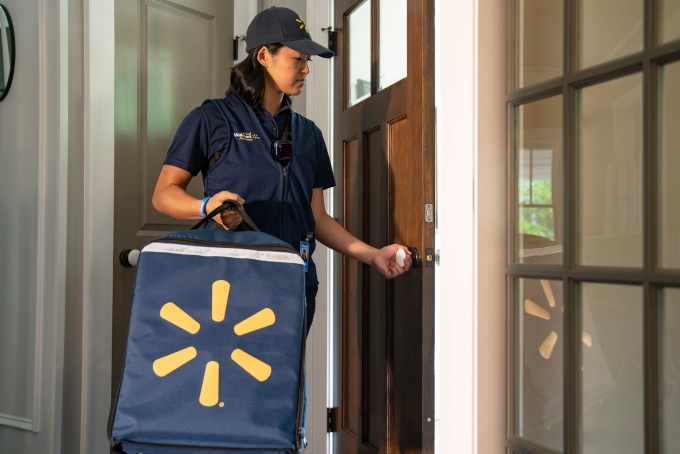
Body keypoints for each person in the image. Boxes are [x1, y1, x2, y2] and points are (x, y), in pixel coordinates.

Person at [152, 6, 412, 332]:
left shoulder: (309, 134)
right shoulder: (211, 119)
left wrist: (373, 255)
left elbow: (318, 218)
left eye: (308, 60)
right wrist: (206, 207)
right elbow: (164, 194)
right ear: (264, 56)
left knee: (289, 368)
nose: (306, 69)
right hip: (230, 284)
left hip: (294, 283)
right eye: (298, 58)